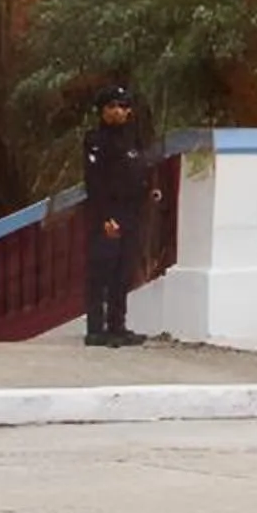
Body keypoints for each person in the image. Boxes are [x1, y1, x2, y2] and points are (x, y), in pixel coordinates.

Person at [81, 86, 160, 348]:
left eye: (123, 106)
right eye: (112, 106)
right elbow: (95, 182)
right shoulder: (95, 140)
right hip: (107, 215)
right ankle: (96, 329)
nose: (118, 111)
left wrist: (151, 189)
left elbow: (142, 168)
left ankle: (118, 326)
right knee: (101, 270)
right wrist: (105, 217)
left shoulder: (133, 139)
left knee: (123, 272)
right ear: (102, 110)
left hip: (131, 213)